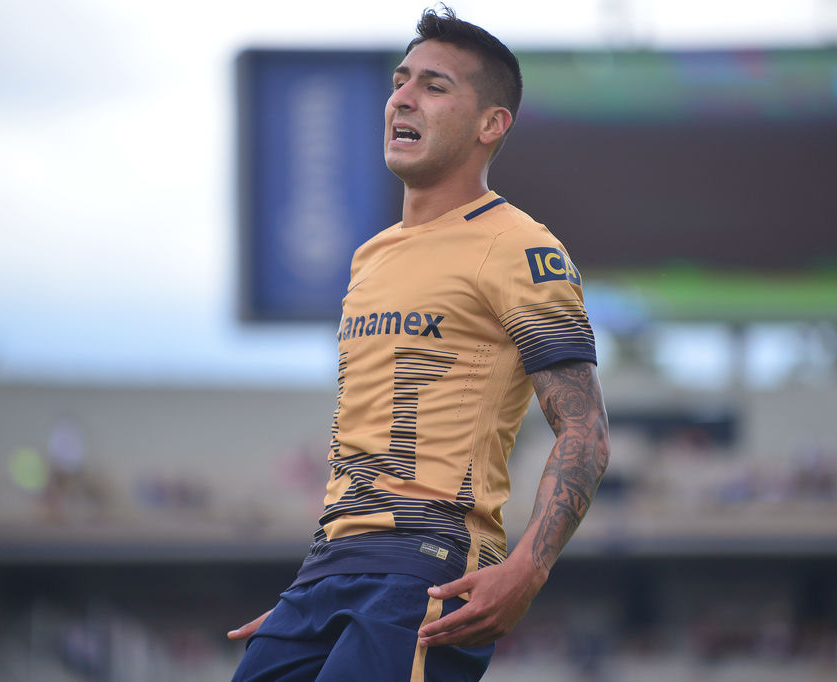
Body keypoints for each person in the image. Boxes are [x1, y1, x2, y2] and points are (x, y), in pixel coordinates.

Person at [229, 7, 610, 681]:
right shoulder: (370, 256)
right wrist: (316, 594)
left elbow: (586, 429)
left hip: (427, 572)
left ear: (491, 124)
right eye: (400, 81)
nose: (402, 98)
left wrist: (528, 566)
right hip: (326, 576)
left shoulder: (519, 245)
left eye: (434, 86)